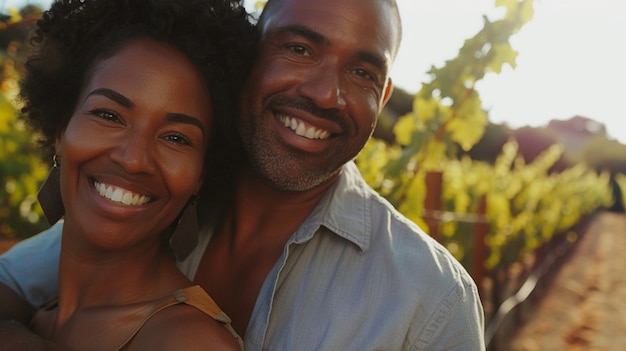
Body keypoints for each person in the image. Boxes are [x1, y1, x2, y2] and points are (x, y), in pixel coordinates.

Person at [0, 0, 486, 349]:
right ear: (251, 57)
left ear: (382, 97)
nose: (323, 93)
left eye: (362, 72)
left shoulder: (432, 300)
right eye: (298, 49)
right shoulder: (154, 202)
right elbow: (19, 283)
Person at [0, 0, 256, 350]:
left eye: (176, 138)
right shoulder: (40, 315)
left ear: (201, 175)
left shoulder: (188, 342)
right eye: (109, 116)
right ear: (62, 130)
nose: (134, 159)